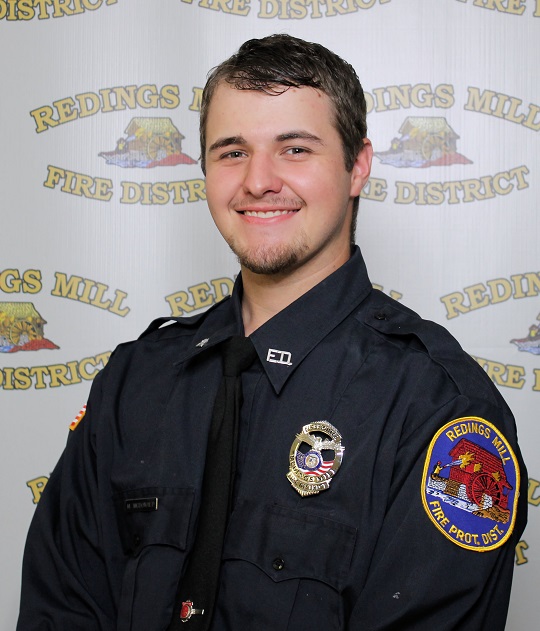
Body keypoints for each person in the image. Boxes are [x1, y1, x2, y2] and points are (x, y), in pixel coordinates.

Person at [17, 34, 527, 631]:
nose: (258, 181)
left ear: (357, 165)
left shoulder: (438, 409)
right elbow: (60, 610)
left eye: (295, 149)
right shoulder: (134, 381)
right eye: (232, 151)